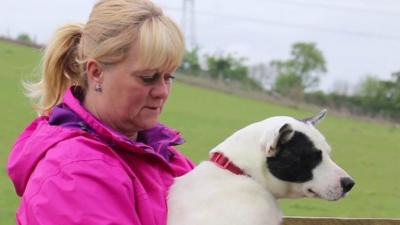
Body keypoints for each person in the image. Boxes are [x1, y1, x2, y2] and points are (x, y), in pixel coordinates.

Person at [7, 0, 195, 224]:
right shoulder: (74, 173)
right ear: (96, 73)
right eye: (148, 78)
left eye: (168, 77)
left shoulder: (164, 155)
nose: (162, 91)